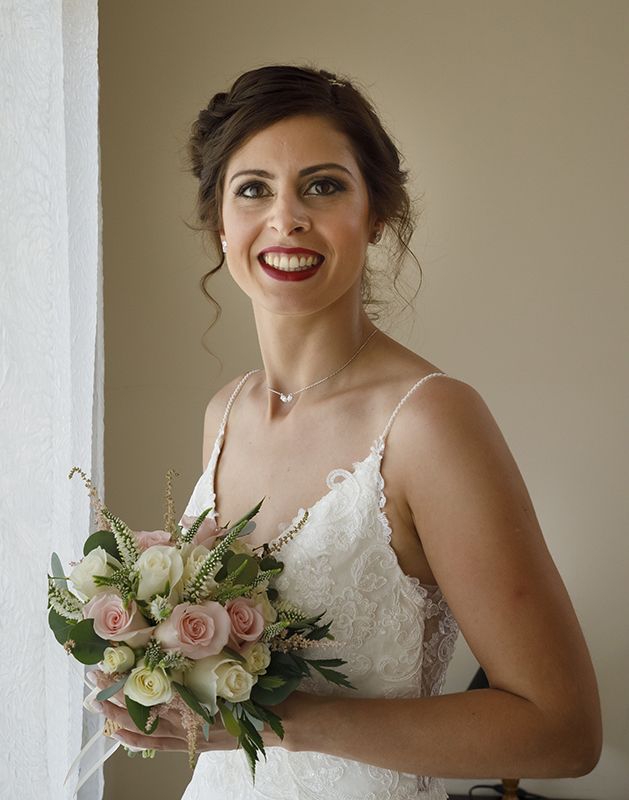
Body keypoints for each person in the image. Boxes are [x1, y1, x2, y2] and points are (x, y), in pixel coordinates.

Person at [92, 65, 601, 799]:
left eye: (324, 186)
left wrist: (283, 721)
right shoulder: (224, 414)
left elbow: (564, 730)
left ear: (377, 214)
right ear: (219, 223)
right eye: (253, 189)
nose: (287, 218)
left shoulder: (430, 422)